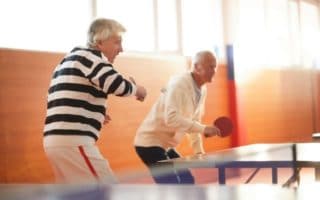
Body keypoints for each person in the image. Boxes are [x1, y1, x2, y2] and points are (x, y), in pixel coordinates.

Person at [43, 18, 147, 183]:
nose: (121, 49)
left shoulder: (68, 61)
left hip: (55, 142)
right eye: (117, 42)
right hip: (74, 141)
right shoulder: (91, 57)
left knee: (74, 195)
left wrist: (96, 112)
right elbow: (114, 83)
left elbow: (58, 96)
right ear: (99, 43)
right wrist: (137, 90)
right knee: (107, 189)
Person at [134, 50, 220, 184]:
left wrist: (199, 152)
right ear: (197, 67)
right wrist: (204, 129)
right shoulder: (179, 84)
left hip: (166, 146)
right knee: (171, 185)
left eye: (215, 67)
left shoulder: (202, 89)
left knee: (187, 181)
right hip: (149, 143)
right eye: (211, 66)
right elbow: (172, 118)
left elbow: (194, 122)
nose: (214, 70)